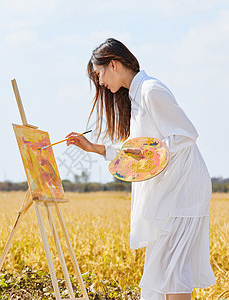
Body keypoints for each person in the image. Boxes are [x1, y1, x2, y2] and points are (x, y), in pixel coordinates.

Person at [65, 38, 216, 300]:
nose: (100, 83)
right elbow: (138, 149)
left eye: (99, 74)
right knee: (164, 272)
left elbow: (186, 135)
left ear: (113, 64)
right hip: (170, 191)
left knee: (173, 271)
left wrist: (150, 154)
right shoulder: (138, 96)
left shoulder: (150, 90)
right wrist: (94, 148)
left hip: (182, 190)